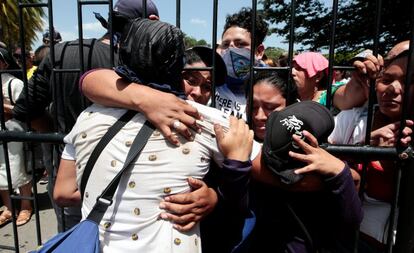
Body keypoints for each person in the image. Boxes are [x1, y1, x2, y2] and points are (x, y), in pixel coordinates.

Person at [54, 18, 257, 253]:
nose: (198, 92)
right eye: (190, 79)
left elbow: (63, 191)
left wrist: (213, 196)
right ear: (174, 70)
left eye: (208, 86)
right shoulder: (204, 120)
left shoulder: (88, 116)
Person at [11, 0, 160, 232]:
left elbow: (26, 110)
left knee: (75, 240)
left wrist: (57, 134)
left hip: (69, 175)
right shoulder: (141, 62)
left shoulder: (62, 53)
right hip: (124, 181)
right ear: (152, 22)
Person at [329, 40, 413, 253]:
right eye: (387, 78)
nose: (393, 89)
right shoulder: (353, 120)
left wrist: (396, 161)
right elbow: (316, 155)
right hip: (343, 239)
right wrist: (363, 149)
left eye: (408, 80)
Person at [250, 101, 363, 253]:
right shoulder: (253, 161)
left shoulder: (330, 174)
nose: (259, 115)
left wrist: (339, 173)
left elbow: (351, 221)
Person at [215, 7, 269, 119]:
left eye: (240, 44)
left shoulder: (274, 86)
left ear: (259, 52)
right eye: (225, 44)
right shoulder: (209, 80)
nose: (230, 49)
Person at [0, 47, 33, 227]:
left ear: (4, 63)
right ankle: (9, 208)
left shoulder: (14, 84)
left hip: (14, 130)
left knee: (17, 168)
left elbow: (24, 109)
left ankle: (26, 205)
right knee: (1, 171)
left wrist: (4, 106)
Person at [292, 51, 370, 113]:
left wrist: (361, 75)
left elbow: (349, 96)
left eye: (299, 68)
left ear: (318, 76)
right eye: (292, 68)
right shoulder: (291, 97)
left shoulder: (329, 95)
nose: (292, 72)